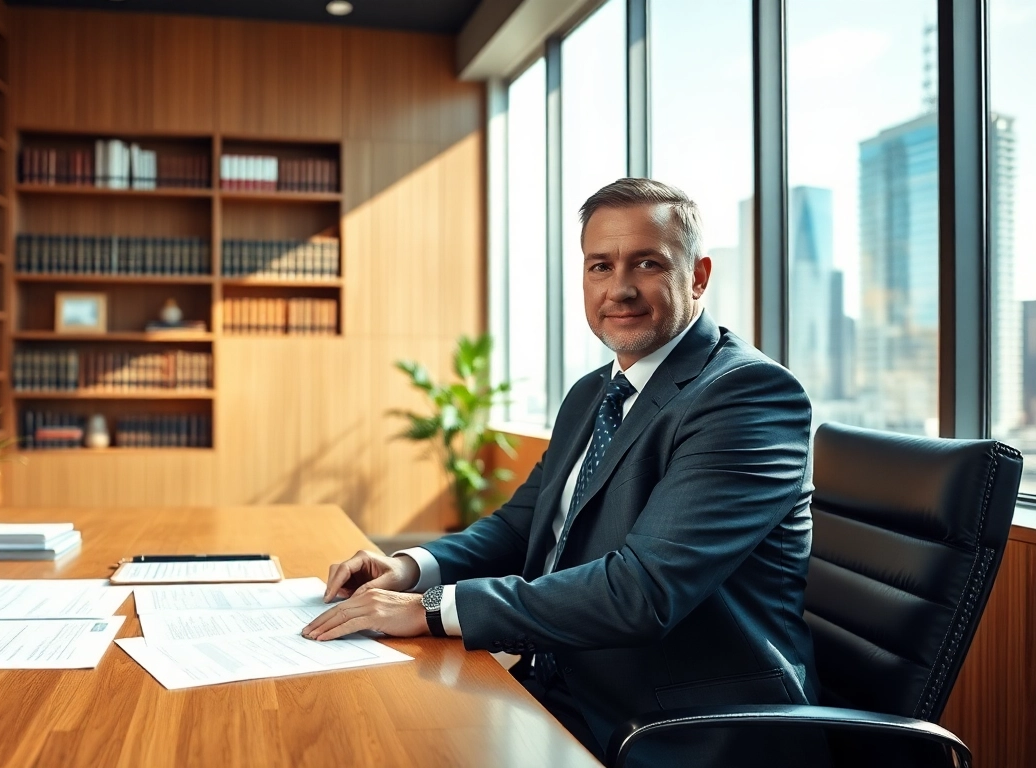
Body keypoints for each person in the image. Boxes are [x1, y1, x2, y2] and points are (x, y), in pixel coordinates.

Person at [303, 178, 825, 767]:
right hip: (562, 688)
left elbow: (642, 592)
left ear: (698, 275)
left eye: (647, 263)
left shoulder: (747, 396)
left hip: (677, 727)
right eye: (600, 266)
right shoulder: (593, 393)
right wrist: (410, 567)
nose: (620, 288)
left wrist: (430, 608)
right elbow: (521, 527)